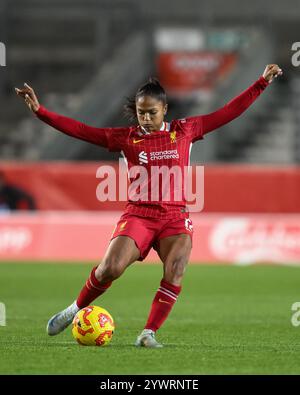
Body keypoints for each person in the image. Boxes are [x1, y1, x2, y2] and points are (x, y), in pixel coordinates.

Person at [15, 64, 282, 348]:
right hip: (139, 215)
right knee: (111, 268)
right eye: (141, 112)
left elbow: (228, 111)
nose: (145, 118)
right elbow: (82, 130)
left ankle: (148, 332)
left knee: (177, 267)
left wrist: (261, 83)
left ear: (165, 109)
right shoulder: (127, 137)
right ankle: (73, 309)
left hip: (175, 217)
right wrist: (41, 112)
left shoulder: (185, 130)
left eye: (151, 112)